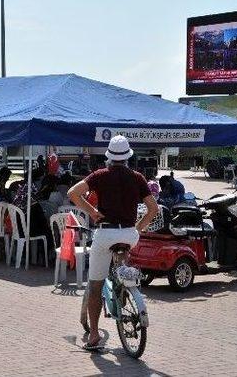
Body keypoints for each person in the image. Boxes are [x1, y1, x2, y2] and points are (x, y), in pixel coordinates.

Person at [68, 135, 158, 350]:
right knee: (121, 266)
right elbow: (153, 209)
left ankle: (94, 336)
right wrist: (137, 228)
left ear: (109, 156)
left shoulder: (100, 175)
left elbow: (73, 194)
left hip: (106, 233)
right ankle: (123, 289)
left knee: (96, 284)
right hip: (129, 235)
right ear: (128, 157)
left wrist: (93, 212)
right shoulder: (138, 177)